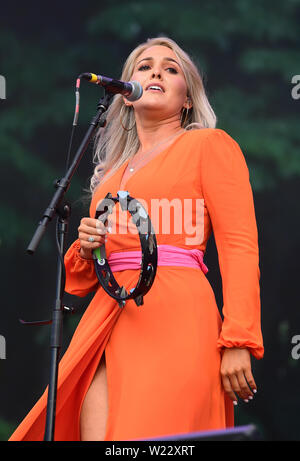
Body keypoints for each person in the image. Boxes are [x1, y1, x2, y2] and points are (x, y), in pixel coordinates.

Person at [9, 36, 264, 442]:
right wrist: (88, 242)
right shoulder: (110, 174)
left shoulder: (208, 145)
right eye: (144, 66)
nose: (156, 71)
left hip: (177, 314)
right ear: (126, 95)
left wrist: (239, 338)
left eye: (171, 67)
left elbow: (239, 244)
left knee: (158, 439)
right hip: (109, 317)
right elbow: (82, 279)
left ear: (186, 99)